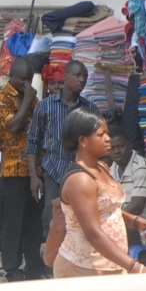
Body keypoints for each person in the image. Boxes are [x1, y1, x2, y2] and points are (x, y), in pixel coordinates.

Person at [48, 109, 146, 277]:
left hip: (109, 264)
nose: (108, 138)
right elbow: (93, 234)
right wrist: (135, 267)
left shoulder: (101, 168)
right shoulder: (80, 180)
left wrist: (135, 221)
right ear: (83, 141)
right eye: (101, 134)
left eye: (107, 132)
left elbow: (106, 211)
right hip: (83, 268)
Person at [0, 57, 46, 280]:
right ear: (11, 76)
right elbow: (12, 126)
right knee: (13, 221)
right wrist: (28, 100)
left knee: (33, 222)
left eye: (29, 79)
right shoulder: (1, 99)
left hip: (34, 169)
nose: (26, 83)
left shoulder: (31, 99)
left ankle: (33, 264)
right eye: (22, 79)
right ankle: (11, 268)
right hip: (13, 169)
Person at [27, 59, 96, 237]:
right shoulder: (45, 107)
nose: (82, 80)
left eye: (85, 76)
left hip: (81, 174)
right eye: (77, 75)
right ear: (65, 77)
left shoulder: (89, 109)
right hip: (53, 172)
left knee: (80, 221)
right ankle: (54, 264)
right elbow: (33, 142)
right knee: (54, 222)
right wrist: (34, 176)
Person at [108, 123, 146, 231]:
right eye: (112, 148)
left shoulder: (141, 167)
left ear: (130, 145)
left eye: (121, 146)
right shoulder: (110, 171)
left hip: (144, 227)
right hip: (122, 223)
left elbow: (136, 207)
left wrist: (108, 222)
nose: (117, 151)